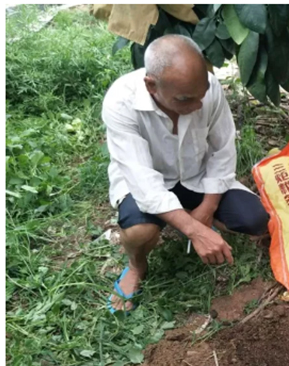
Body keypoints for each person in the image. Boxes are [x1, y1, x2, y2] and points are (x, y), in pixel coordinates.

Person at [102, 35, 269, 313]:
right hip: (149, 181)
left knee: (255, 219)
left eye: (201, 94)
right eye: (184, 99)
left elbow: (222, 151)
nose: (197, 106)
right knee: (139, 232)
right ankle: (136, 266)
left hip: (197, 175)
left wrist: (207, 208)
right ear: (151, 86)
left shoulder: (208, 89)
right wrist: (194, 229)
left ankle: (190, 215)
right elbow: (144, 183)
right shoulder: (121, 103)